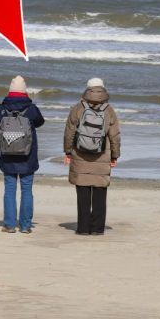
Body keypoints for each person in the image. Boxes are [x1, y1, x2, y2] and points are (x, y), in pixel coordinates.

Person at [63, 78, 121, 236]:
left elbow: (69, 132)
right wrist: (115, 156)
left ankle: (82, 228)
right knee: (100, 194)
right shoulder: (109, 110)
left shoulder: (78, 108)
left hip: (80, 155)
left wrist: (68, 152)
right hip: (102, 157)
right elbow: (115, 136)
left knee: (82, 193)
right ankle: (97, 229)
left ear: (87, 89)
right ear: (103, 89)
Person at [0, 75, 44, 234]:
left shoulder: (2, 108)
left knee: (9, 189)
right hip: (27, 155)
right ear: (24, 91)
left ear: (10, 91)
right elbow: (40, 122)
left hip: (8, 153)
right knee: (27, 189)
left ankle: (9, 225)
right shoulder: (31, 108)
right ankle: (26, 226)